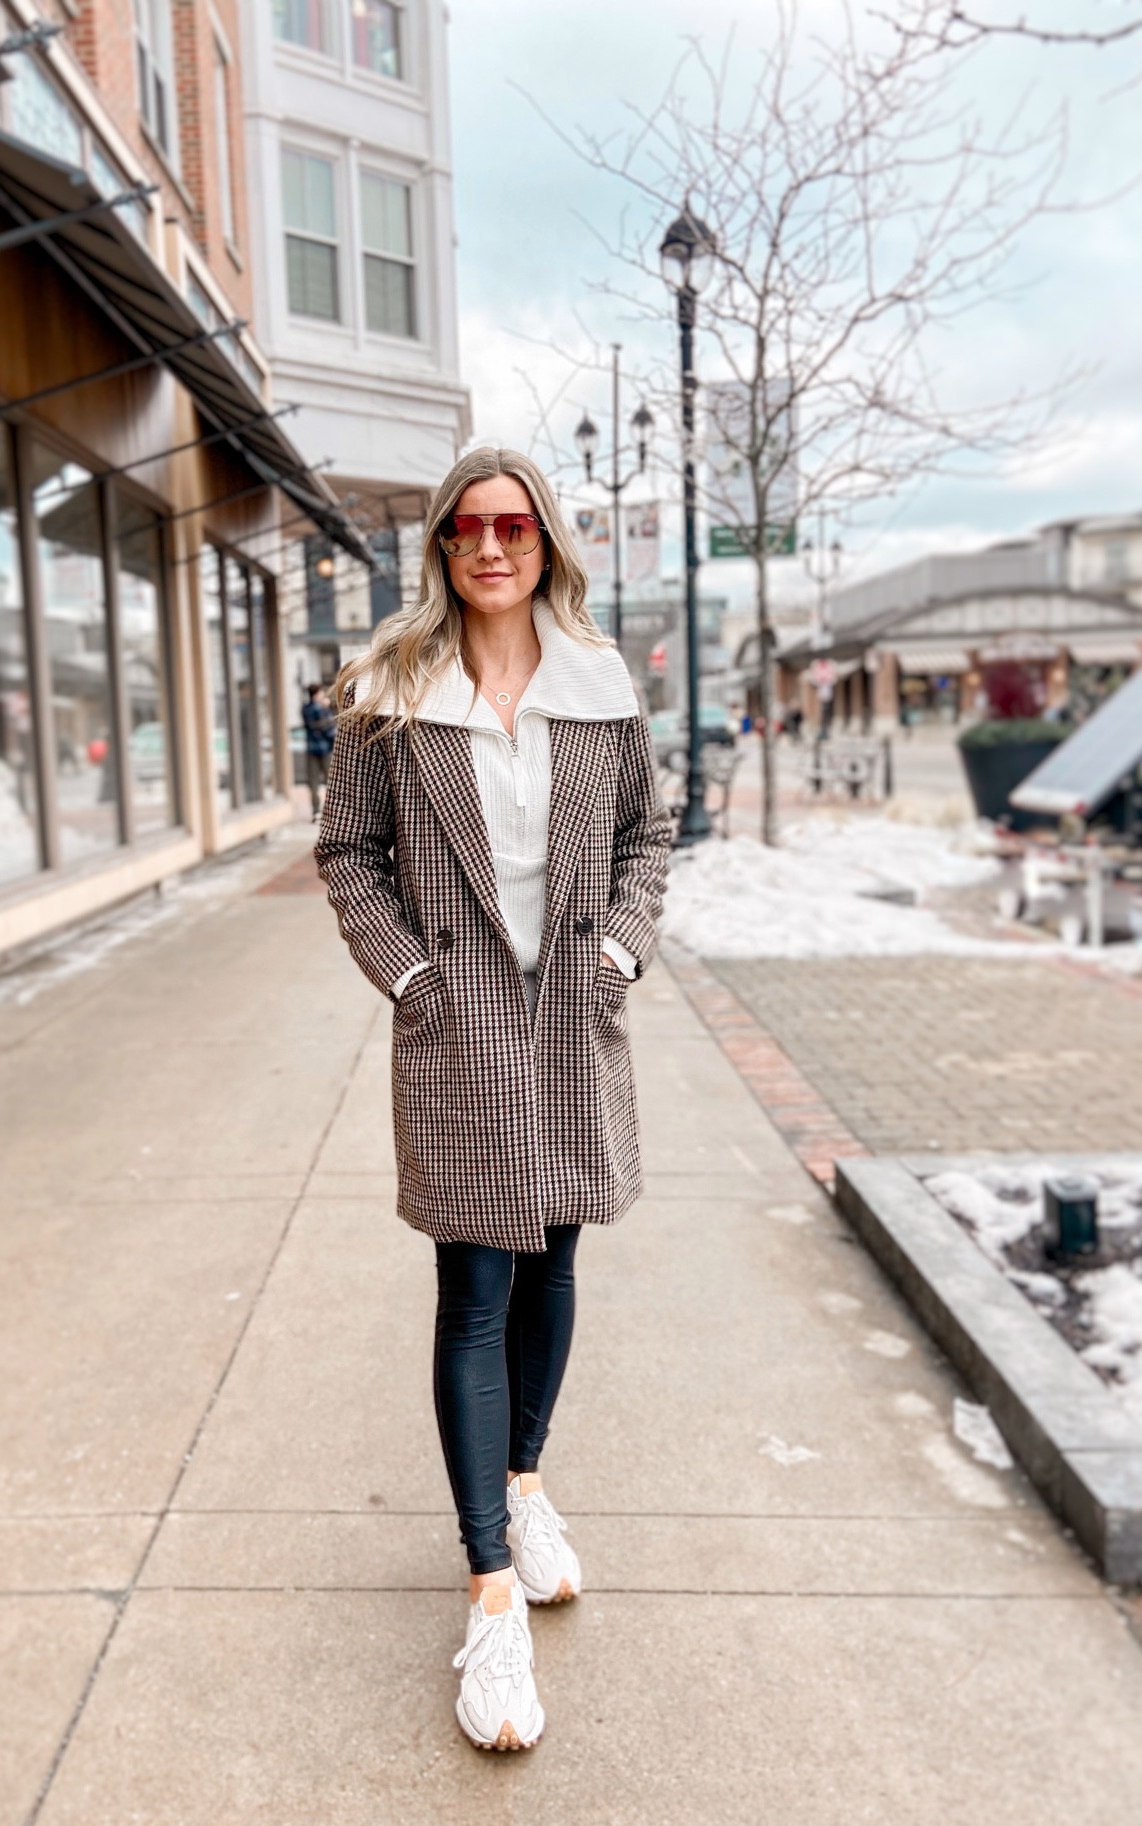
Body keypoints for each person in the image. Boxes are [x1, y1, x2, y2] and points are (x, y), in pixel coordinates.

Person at [315, 447, 670, 1751]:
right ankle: (486, 1596)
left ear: (545, 540)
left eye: (512, 525)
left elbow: (647, 831)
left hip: (573, 1020)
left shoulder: (600, 683)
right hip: (460, 1025)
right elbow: (346, 851)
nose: (490, 546)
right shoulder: (393, 691)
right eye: (467, 527)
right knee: (474, 1289)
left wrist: (620, 947)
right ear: (441, 548)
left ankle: (524, 1488)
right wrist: (410, 975)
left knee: (554, 1259)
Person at [300, 683, 335, 821]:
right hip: (325, 749)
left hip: (312, 749)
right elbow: (329, 728)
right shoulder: (321, 709)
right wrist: (326, 708)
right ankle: (330, 811)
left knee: (313, 782)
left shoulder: (305, 708)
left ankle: (316, 812)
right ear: (317, 694)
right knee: (330, 781)